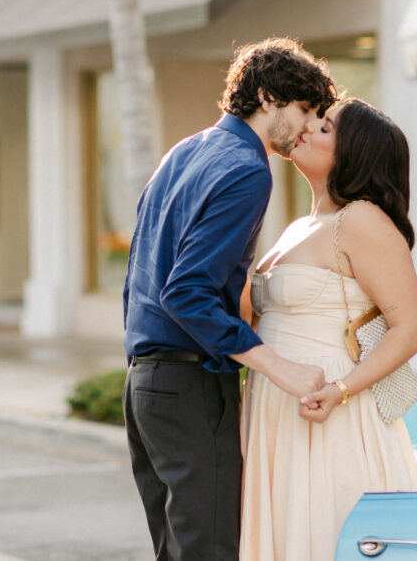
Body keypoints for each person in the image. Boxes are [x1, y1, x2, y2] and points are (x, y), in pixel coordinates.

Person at [122, 37, 337, 561]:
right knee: (211, 550)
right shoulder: (247, 167)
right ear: (267, 97)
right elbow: (187, 292)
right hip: (189, 384)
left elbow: (140, 275)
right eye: (304, 109)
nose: (308, 126)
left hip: (145, 385)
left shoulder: (184, 152)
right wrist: (278, 367)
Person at [240, 98, 417, 561]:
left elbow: (412, 329)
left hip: (328, 413)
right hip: (274, 406)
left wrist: (342, 390)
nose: (307, 129)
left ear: (353, 156)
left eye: (325, 128)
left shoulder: (361, 219)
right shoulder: (300, 225)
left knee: (321, 534)